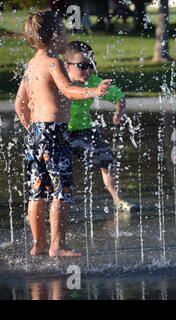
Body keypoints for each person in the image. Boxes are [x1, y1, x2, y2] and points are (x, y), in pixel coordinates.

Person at [14, 11, 111, 257]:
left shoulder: (30, 65)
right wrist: (93, 92)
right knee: (62, 189)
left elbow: (20, 104)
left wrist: (32, 130)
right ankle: (57, 245)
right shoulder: (53, 62)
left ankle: (38, 245)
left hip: (36, 133)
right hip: (54, 133)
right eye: (64, 32)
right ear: (55, 35)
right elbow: (67, 90)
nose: (66, 37)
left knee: (37, 190)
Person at [63, 41, 136, 212]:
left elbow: (119, 96)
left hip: (85, 130)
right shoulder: (59, 82)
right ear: (67, 66)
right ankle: (42, 206)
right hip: (60, 130)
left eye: (91, 65)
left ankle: (118, 200)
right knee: (54, 170)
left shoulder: (94, 82)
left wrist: (119, 112)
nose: (88, 70)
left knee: (108, 163)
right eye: (82, 66)